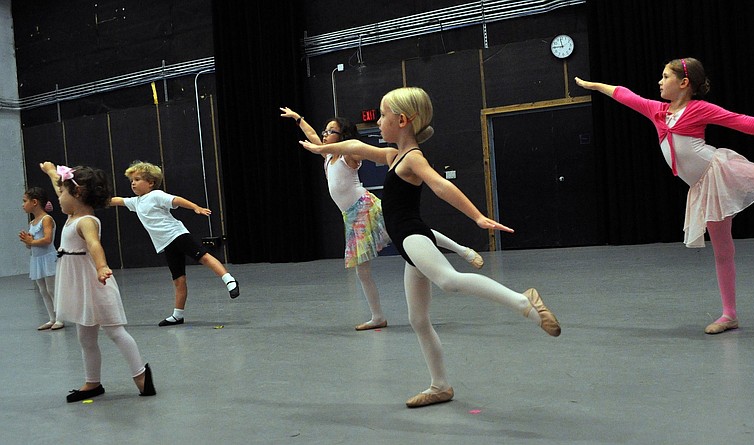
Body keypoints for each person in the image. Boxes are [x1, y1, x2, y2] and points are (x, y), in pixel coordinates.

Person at [300, 87, 561, 408]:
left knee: (449, 281)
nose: (378, 121)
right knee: (418, 320)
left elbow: (441, 184)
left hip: (412, 236)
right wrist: (315, 143)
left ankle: (525, 302)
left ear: (402, 120)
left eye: (383, 116)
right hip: (407, 245)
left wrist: (478, 216)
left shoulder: (412, 158)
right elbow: (353, 145)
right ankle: (440, 386)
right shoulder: (392, 155)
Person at [576, 57, 754, 334]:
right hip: (705, 188)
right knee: (723, 250)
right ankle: (729, 315)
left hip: (722, 171)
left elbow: (745, 123)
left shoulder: (699, 109)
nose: (659, 82)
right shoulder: (657, 110)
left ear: (683, 83)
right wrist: (595, 85)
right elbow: (624, 94)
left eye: (665, 77)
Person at [280, 107, 485, 331]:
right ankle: (377, 317)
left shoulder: (349, 155)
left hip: (366, 208)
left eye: (330, 131)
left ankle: (461, 249)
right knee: (362, 270)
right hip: (351, 218)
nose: (324, 135)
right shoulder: (328, 155)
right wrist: (298, 119)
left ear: (342, 136)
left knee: (413, 233)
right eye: (325, 131)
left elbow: (364, 149)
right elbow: (312, 137)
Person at [39, 161, 156, 402]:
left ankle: (141, 375)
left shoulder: (86, 221)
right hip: (80, 286)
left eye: (63, 193)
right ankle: (92, 382)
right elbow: (61, 187)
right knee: (85, 337)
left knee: (115, 331)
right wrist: (51, 171)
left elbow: (94, 245)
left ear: (78, 193)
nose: (59, 197)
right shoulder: (73, 214)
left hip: (95, 284)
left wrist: (102, 266)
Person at [110, 161, 239, 327]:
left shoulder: (156, 195)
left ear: (150, 183)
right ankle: (178, 315)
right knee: (178, 279)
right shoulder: (136, 202)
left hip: (178, 235)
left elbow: (176, 200)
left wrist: (195, 207)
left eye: (137, 179)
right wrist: (93, 201)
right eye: (131, 180)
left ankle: (230, 280)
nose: (133, 183)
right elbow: (118, 200)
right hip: (166, 244)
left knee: (205, 258)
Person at [19, 187, 64, 331]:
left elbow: (47, 239)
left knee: (52, 289)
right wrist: (28, 242)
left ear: (34, 202)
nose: (22, 204)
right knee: (43, 291)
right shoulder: (32, 223)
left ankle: (60, 318)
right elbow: (32, 246)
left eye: (24, 201)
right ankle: (52, 318)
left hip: (48, 258)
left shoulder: (46, 219)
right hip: (37, 259)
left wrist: (31, 242)